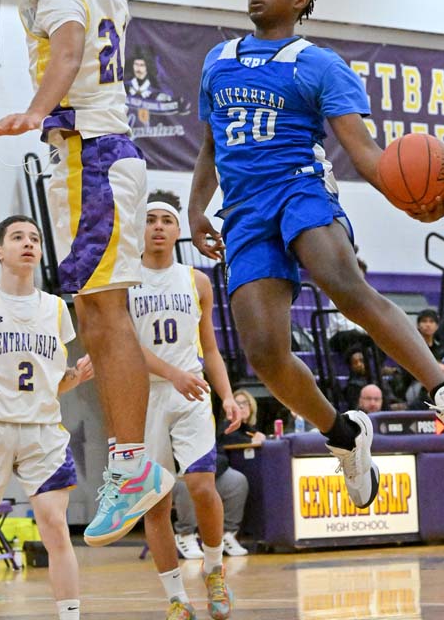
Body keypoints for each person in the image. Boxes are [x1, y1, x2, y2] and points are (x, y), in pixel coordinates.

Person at [0, 0, 278, 547]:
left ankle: (128, 465)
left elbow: (66, 49)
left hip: (88, 157)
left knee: (103, 311)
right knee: (95, 307)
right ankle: (131, 463)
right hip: (104, 159)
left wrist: (37, 108)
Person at [188, 0, 444, 511]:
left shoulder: (319, 63)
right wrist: (194, 209)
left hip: (298, 186)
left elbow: (366, 152)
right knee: (265, 355)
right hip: (244, 211)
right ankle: (344, 435)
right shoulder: (217, 60)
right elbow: (210, 145)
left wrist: (409, 201)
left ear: (301, 0)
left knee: (344, 285)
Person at [127, 195, 243, 620]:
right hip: (143, 396)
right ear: (140, 229)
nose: (158, 226)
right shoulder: (125, 280)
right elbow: (126, 348)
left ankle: (214, 571)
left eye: (166, 220)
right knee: (156, 502)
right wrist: (172, 374)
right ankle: (176, 597)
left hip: (191, 392)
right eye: (150, 220)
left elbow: (209, 347)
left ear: (178, 231)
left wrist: (227, 395)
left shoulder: (197, 281)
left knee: (201, 485)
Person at [0, 215, 94, 620]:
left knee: (55, 527)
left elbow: (50, 383)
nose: (28, 243)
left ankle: (70, 616)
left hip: (42, 431)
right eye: (17, 237)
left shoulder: (56, 309)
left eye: (34, 238)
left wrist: (74, 378)